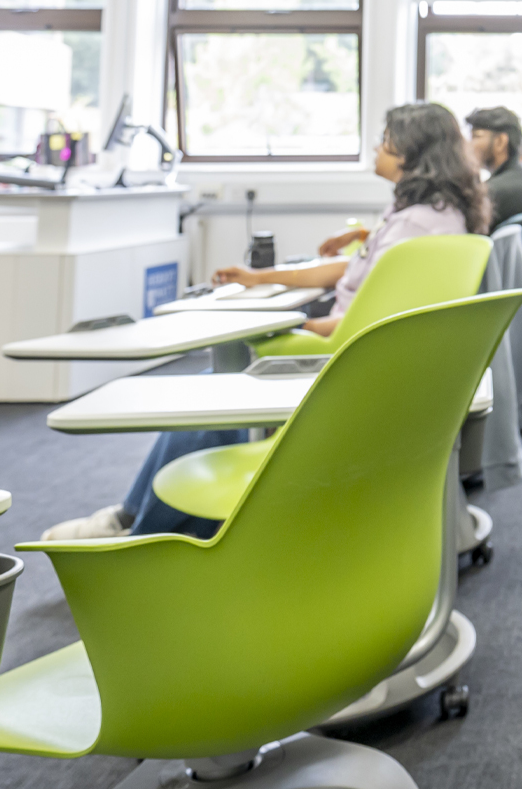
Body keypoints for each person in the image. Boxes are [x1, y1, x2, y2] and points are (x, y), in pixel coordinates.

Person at [43, 103, 490, 540]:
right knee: (217, 384)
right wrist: (263, 279)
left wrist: (288, 327)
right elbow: (358, 275)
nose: (377, 149)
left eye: (385, 142)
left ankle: (139, 527)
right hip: (349, 349)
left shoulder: (416, 227)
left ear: (412, 153)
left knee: (212, 389)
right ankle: (141, 519)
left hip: (338, 358)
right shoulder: (428, 215)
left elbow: (373, 323)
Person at [465, 106, 522, 304]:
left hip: (496, 290)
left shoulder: (495, 191)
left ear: (501, 141)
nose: (469, 145)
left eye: (476, 136)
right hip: (520, 282)